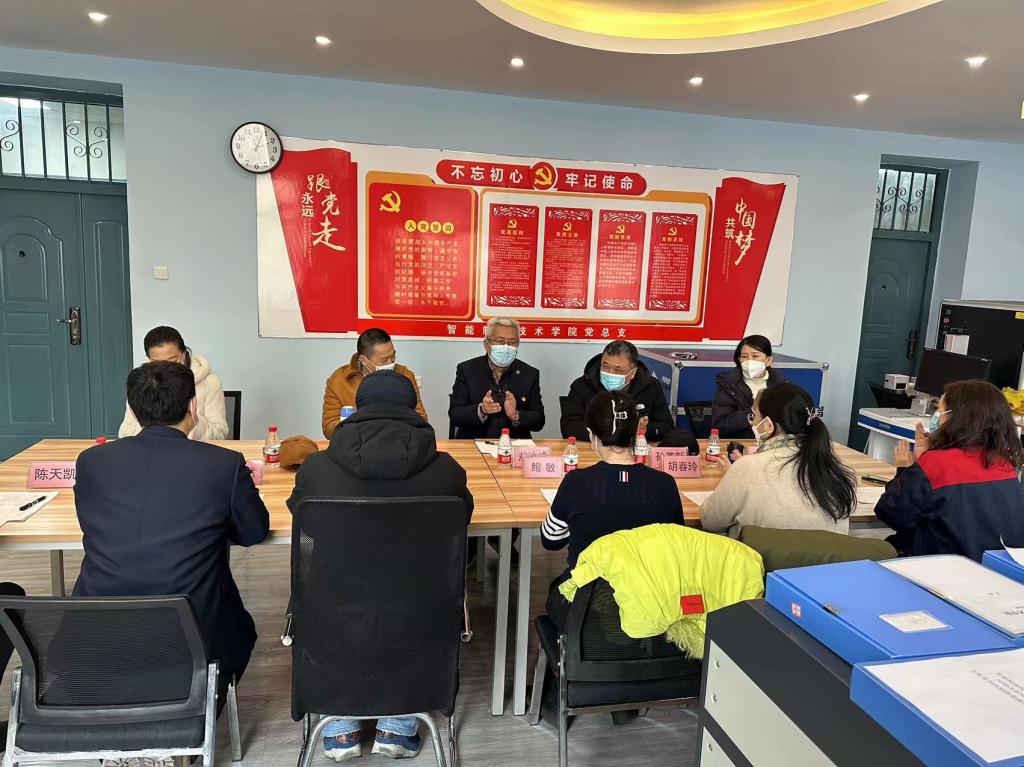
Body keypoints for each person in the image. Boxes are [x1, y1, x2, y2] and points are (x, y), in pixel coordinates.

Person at [289, 371, 473, 761]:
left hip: (335, 604)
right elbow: (458, 521)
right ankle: (399, 727)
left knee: (342, 607)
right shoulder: (448, 472)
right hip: (419, 605)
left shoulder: (317, 469)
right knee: (405, 607)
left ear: (358, 409)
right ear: (413, 410)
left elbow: (305, 520)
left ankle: (340, 727)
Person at [75, 361, 269, 691]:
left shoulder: (91, 461)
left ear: (133, 411)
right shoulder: (223, 464)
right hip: (196, 643)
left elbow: (90, 523)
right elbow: (253, 532)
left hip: (95, 641)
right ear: (193, 406)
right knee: (240, 628)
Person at [542, 390, 685, 629]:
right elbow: (677, 541)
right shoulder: (665, 484)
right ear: (637, 432)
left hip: (588, 610)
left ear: (591, 435)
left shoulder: (577, 482)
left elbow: (551, 539)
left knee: (557, 590)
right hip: (651, 608)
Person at [875, 379, 1024, 561]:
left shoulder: (936, 464)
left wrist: (904, 469)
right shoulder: (1005, 465)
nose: (936, 416)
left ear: (957, 417)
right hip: (991, 569)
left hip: (935, 567)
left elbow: (891, 513)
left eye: (939, 410)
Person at [701, 383, 857, 537]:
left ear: (768, 426)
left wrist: (736, 475)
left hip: (758, 554)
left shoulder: (747, 468)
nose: (752, 423)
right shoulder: (830, 466)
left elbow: (710, 521)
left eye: (754, 416)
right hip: (826, 555)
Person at [561, 340, 693, 450]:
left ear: (633, 373)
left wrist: (639, 429)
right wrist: (613, 432)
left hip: (635, 452)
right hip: (593, 450)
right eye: (605, 366)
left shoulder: (650, 386)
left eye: (618, 370)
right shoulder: (582, 385)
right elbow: (569, 426)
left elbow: (666, 426)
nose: (610, 373)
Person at [118, 325, 229, 440]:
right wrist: (150, 424)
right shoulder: (142, 383)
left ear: (184, 354)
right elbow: (125, 431)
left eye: (172, 361)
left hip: (192, 449)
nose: (164, 368)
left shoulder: (210, 383)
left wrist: (191, 421)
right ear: (149, 359)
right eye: (157, 363)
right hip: (151, 448)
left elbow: (220, 433)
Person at [448, 317, 544, 439]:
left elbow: (539, 420)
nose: (506, 347)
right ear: (486, 344)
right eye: (500, 341)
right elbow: (455, 414)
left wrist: (516, 415)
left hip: (514, 444)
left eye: (512, 342)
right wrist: (482, 410)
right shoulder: (467, 370)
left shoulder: (529, 374)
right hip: (474, 443)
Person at [322, 328, 427, 438]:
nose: (390, 362)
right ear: (364, 360)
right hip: (356, 444)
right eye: (384, 360)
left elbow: (421, 419)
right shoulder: (339, 381)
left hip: (398, 442)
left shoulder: (405, 375)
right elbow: (329, 428)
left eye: (393, 356)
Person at [712, 334, 786, 439]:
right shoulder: (728, 385)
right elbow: (719, 426)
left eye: (755, 356)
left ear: (768, 360)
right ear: (739, 359)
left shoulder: (781, 386)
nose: (749, 361)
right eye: (744, 356)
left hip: (774, 443)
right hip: (741, 442)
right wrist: (752, 411)